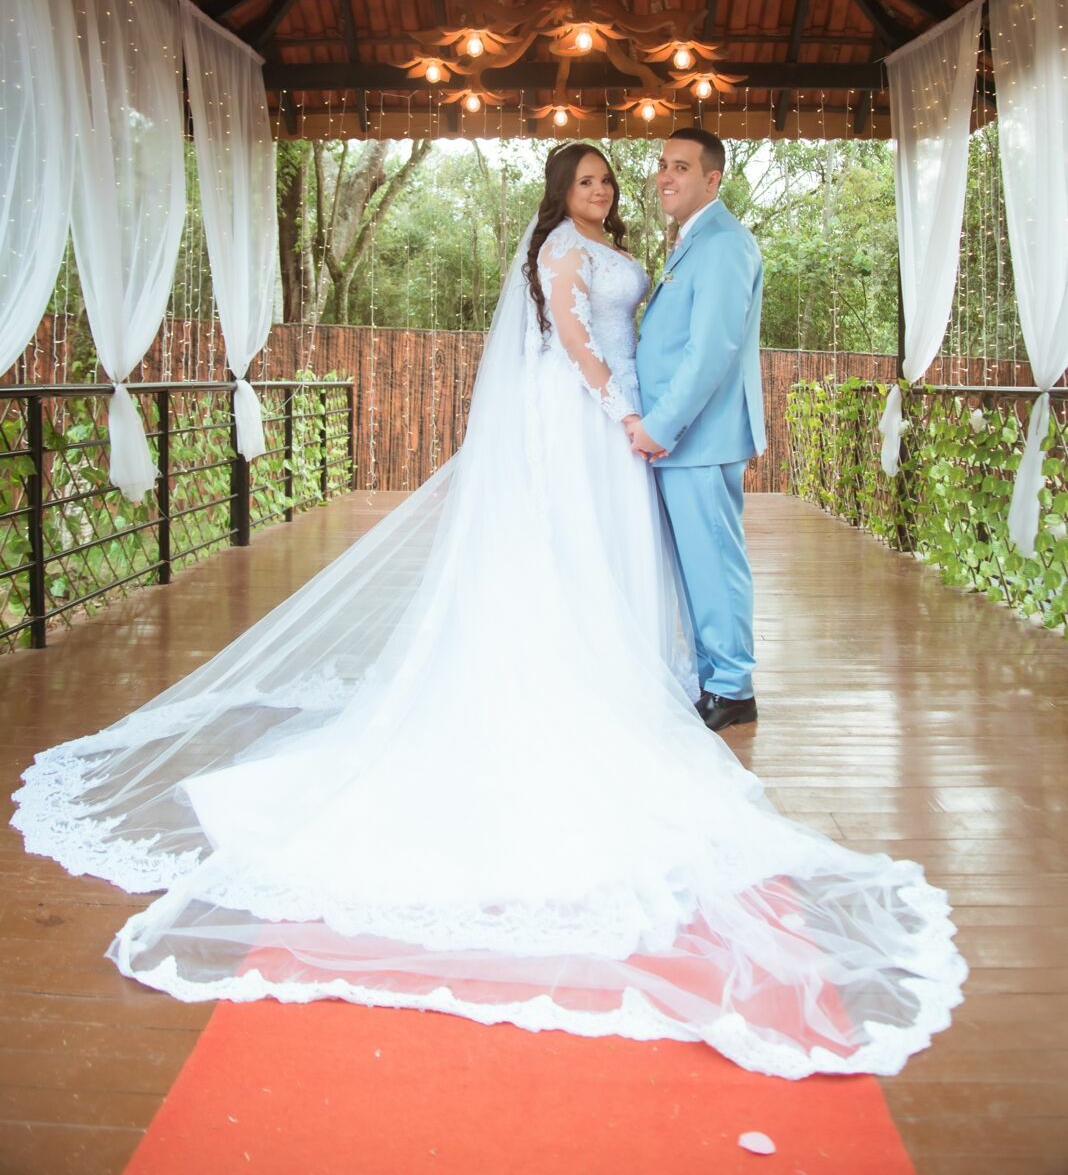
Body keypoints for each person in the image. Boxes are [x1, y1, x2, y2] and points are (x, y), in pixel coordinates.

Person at [11, 142, 966, 1079]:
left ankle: (699, 678)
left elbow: (697, 337)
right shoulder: (564, 248)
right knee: (581, 550)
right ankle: (640, 675)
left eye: (624, 177)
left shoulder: (703, 244)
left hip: (648, 422)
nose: (615, 187)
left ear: (702, 179)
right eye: (592, 178)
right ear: (563, 191)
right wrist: (613, 400)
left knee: (661, 556)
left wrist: (642, 409)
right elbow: (578, 333)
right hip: (597, 412)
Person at [629, 129, 765, 733]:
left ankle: (733, 687)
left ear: (712, 179)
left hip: (698, 438)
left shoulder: (724, 244)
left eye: (680, 167)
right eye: (662, 165)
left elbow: (712, 350)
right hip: (681, 442)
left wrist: (659, 425)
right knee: (696, 566)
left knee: (715, 561)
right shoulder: (692, 240)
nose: (665, 176)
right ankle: (715, 679)